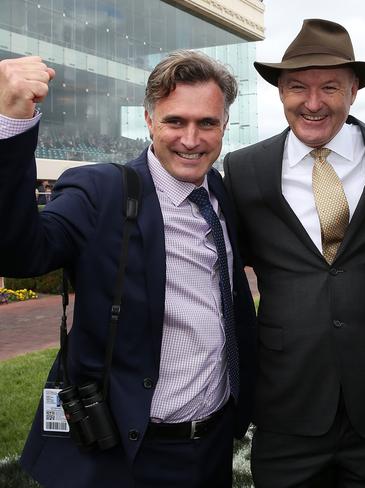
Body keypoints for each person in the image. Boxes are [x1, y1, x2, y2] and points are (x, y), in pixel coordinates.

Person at [0, 50, 256, 487]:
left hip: (211, 448)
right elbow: (20, 254)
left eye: (207, 123)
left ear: (225, 126)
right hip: (124, 454)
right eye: (175, 121)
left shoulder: (222, 194)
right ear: (149, 120)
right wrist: (11, 123)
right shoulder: (100, 190)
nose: (191, 139)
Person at [223, 19, 365, 487]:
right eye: (296, 88)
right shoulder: (244, 170)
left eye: (329, 86)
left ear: (353, 90)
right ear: (280, 93)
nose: (312, 103)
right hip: (287, 404)